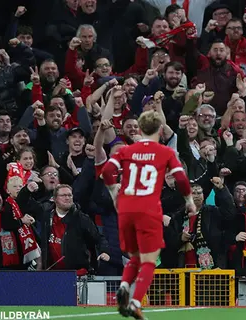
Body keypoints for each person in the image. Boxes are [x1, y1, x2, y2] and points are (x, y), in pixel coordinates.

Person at [101, 110, 196, 319]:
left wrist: (113, 193)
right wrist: (189, 201)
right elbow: (181, 179)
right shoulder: (165, 152)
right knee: (149, 260)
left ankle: (125, 285)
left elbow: (107, 172)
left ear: (140, 129)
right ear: (160, 130)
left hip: (126, 208)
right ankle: (135, 302)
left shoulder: (126, 150)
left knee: (135, 256)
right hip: (148, 209)